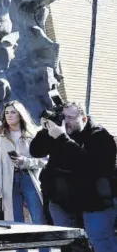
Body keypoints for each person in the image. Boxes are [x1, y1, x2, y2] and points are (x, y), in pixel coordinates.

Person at [30, 101, 117, 252]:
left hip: (96, 201)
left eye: (70, 117)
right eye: (63, 117)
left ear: (83, 119)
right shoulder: (59, 132)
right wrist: (46, 130)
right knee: (69, 243)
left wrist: (62, 138)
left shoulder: (100, 136)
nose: (65, 122)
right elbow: (36, 151)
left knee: (100, 239)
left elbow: (93, 167)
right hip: (63, 200)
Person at [0, 100, 49, 252]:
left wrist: (26, 161)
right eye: (7, 112)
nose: (9, 115)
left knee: (38, 218)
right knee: (15, 221)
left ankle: (45, 250)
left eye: (13, 112)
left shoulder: (33, 132)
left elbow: (45, 160)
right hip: (9, 180)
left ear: (21, 114)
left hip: (29, 177)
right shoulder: (0, 135)